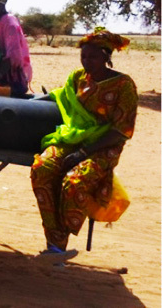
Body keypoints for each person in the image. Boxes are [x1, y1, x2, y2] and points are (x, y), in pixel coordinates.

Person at [29, 27, 137, 263]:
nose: (87, 62)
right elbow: (62, 96)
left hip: (104, 146)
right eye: (84, 56)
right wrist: (29, 100)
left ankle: (59, 242)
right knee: (42, 169)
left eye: (93, 57)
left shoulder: (123, 86)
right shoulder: (78, 78)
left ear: (106, 57)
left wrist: (83, 152)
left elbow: (122, 130)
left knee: (74, 181)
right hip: (73, 138)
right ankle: (55, 245)